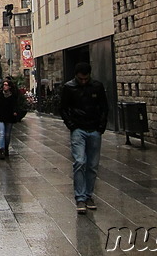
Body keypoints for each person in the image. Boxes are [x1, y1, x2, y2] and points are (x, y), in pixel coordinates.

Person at [60, 62, 108, 214]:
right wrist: (71, 125)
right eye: (81, 79)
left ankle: (88, 195)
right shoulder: (69, 87)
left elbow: (104, 107)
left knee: (93, 164)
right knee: (80, 161)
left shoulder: (97, 86)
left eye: (85, 79)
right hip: (78, 129)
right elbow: (63, 108)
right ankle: (80, 197)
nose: (83, 82)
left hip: (94, 128)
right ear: (76, 76)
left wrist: (101, 127)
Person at [0, 80, 21, 160]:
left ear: (10, 86)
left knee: (7, 135)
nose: (4, 86)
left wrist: (15, 112)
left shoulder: (13, 96)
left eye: (6, 85)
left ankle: (6, 148)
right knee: (1, 133)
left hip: (9, 117)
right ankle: (2, 150)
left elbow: (15, 105)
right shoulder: (0, 94)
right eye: (4, 85)